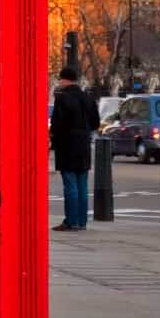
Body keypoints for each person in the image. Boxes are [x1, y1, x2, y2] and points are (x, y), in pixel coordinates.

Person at [50, 66, 98, 232]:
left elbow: (57, 124)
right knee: (82, 185)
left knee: (70, 185)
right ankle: (82, 222)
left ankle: (70, 221)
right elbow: (95, 123)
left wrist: (53, 142)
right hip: (84, 145)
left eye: (60, 79)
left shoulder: (62, 98)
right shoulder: (87, 98)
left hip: (67, 145)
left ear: (64, 79)